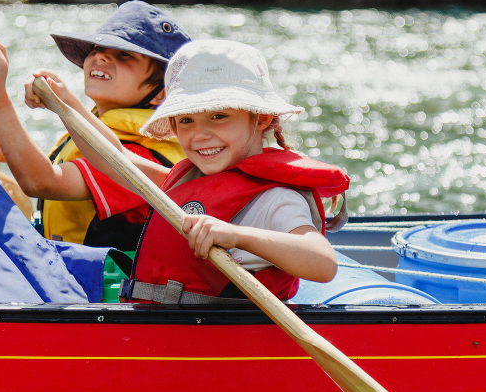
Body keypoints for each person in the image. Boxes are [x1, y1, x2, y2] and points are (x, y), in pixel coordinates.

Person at [33, 39, 349, 304]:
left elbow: (322, 262)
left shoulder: (274, 199)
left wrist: (236, 235)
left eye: (219, 116)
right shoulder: (192, 177)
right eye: (186, 121)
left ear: (262, 119)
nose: (200, 135)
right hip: (158, 338)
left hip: (217, 349)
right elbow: (112, 158)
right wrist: (63, 104)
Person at [0, 1, 191, 301]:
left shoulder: (139, 151)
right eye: (96, 48)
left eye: (124, 55)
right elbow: (61, 170)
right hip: (69, 282)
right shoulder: (106, 134)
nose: (100, 56)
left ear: (160, 91)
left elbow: (41, 181)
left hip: (97, 296)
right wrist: (8, 151)